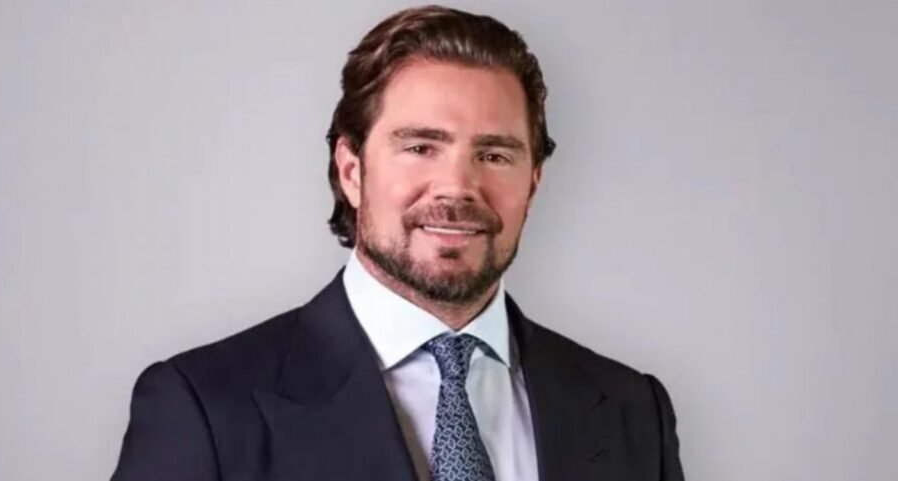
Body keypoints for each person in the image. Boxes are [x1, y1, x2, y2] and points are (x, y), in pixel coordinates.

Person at [111, 5, 684, 481]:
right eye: (420, 147)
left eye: (494, 155)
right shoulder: (205, 408)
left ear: (532, 183)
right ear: (351, 171)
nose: (457, 186)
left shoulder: (633, 412)